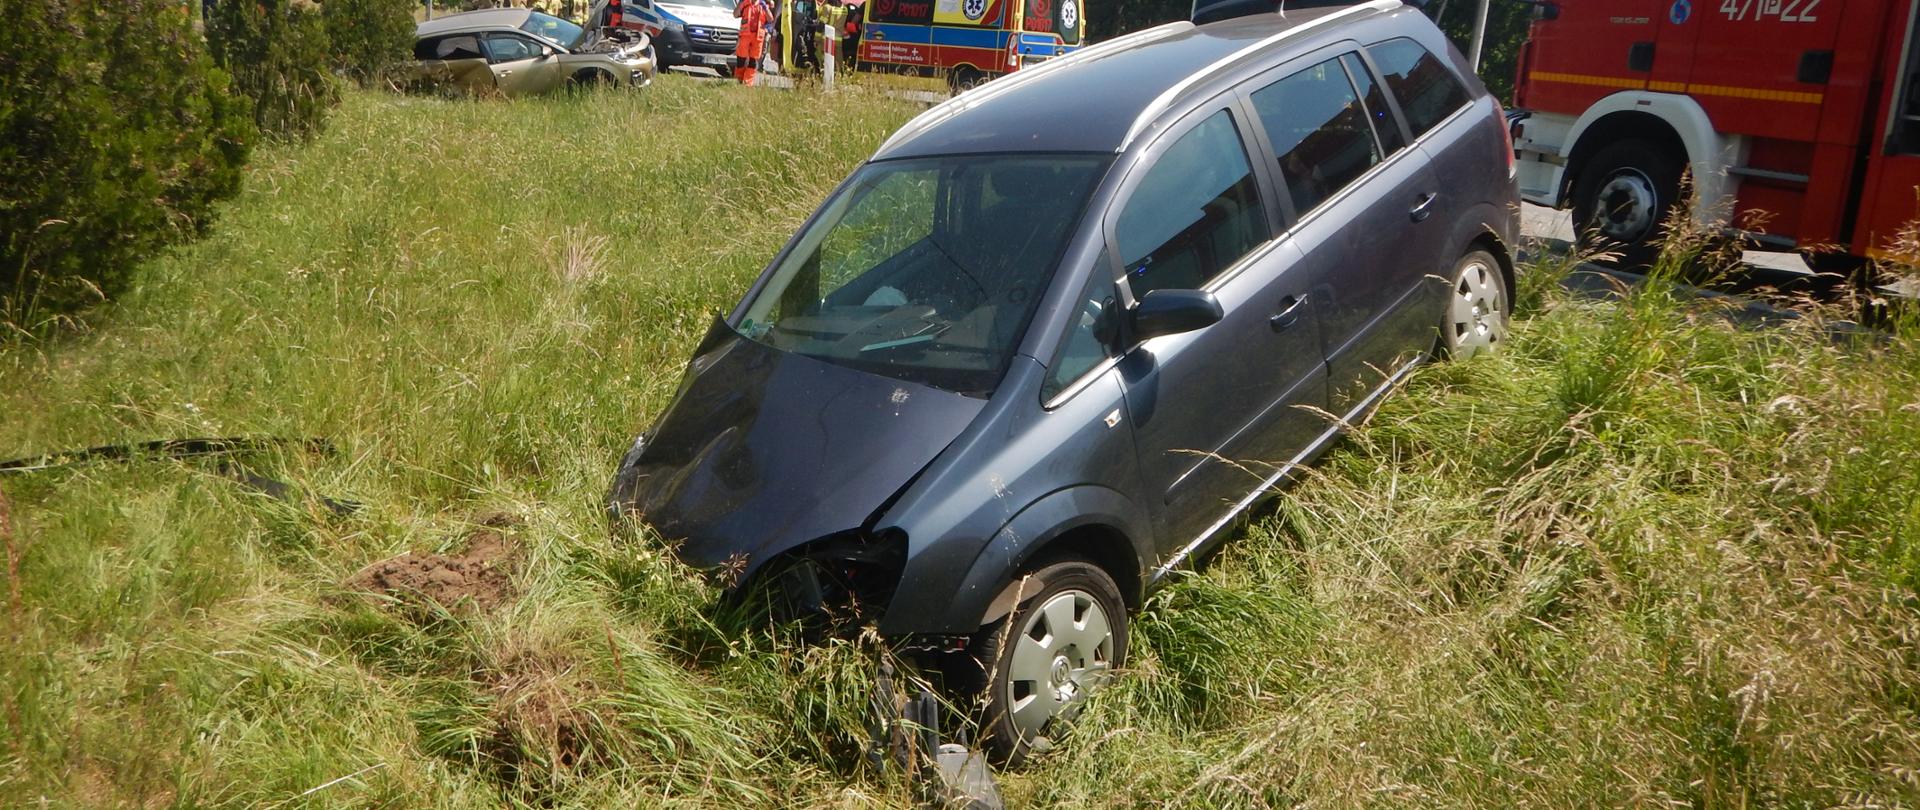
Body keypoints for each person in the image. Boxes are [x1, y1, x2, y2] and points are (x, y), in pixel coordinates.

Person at [734, 0, 772, 84]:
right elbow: (735, 14)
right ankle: (738, 80)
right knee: (741, 59)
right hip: (745, 35)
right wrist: (740, 3)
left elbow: (770, 19)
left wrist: (766, 8)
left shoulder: (763, 5)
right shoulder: (745, 3)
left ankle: (747, 83)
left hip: (758, 37)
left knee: (753, 61)